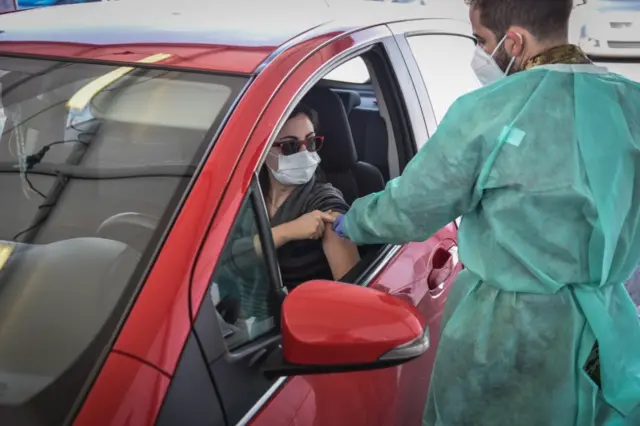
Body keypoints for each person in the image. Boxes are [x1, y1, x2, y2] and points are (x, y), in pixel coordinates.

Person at [331, 0, 640, 424]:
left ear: (514, 42)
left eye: (482, 40)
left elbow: (414, 206)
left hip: (505, 338)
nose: (479, 52)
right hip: (606, 329)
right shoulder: (632, 104)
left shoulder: (489, 112)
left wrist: (353, 221)